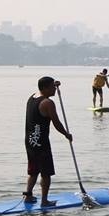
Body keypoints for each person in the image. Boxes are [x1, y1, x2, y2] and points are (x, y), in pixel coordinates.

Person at [23, 76, 72, 206]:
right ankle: (44, 201)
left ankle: (28, 196)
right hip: (41, 144)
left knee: (33, 170)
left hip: (30, 141)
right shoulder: (48, 103)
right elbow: (56, 123)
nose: (54, 89)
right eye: (52, 87)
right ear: (45, 88)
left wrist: (54, 84)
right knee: (46, 173)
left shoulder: (32, 97)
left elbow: (42, 88)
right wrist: (66, 134)